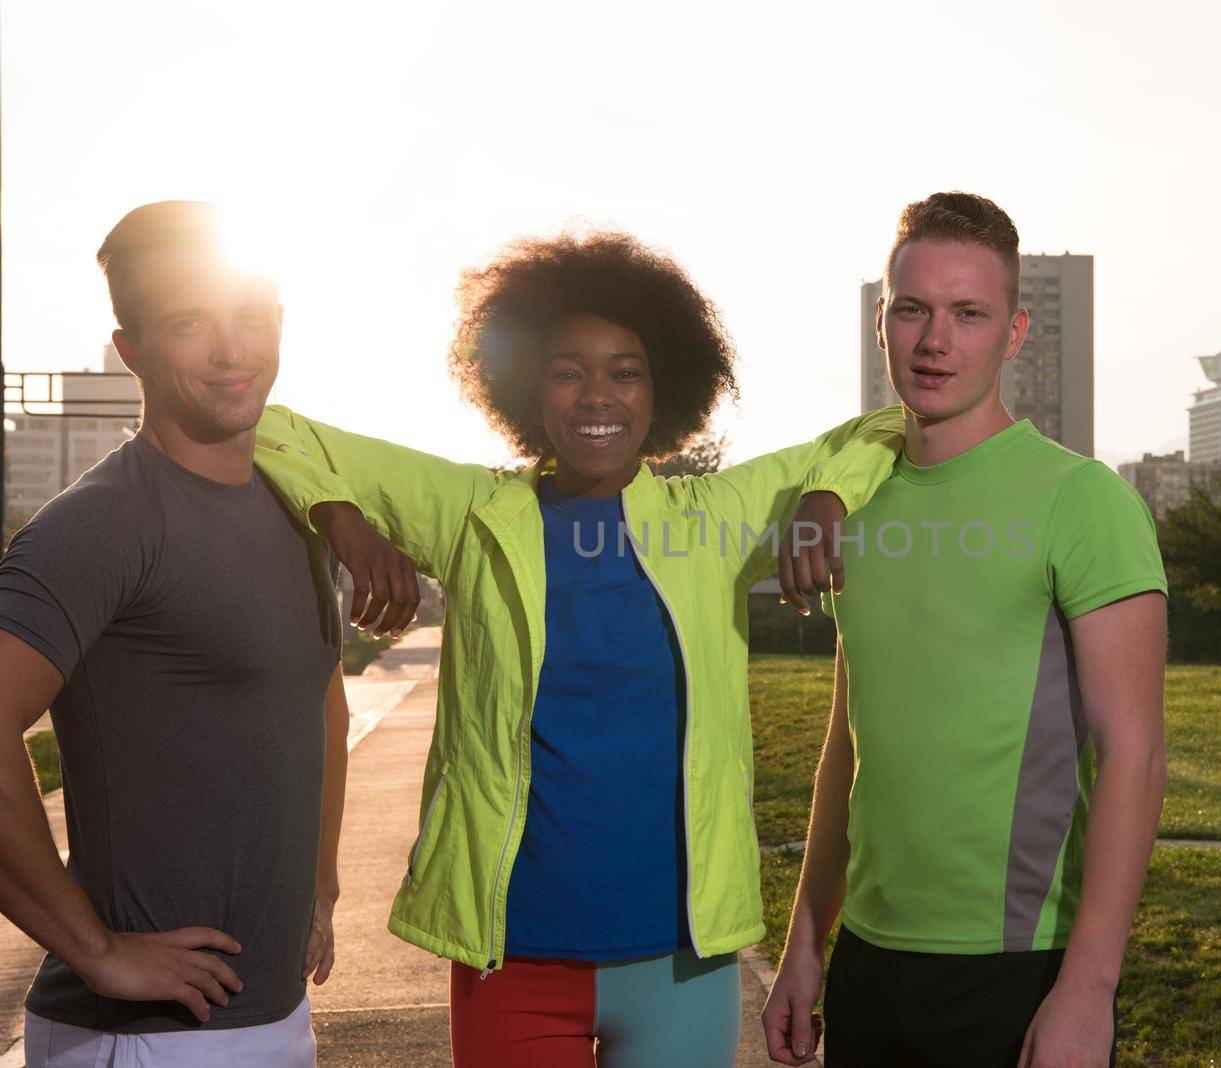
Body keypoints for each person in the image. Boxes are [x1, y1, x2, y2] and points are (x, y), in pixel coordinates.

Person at [250, 229, 902, 1066]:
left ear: (661, 388)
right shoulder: (472, 511)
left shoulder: (712, 520)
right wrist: (339, 517)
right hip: (511, 959)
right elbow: (273, 429)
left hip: (681, 962)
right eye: (568, 369)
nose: (598, 396)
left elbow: (883, 427)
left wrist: (822, 491)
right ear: (528, 386)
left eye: (625, 371)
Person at [762, 192, 1169, 1068]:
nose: (935, 341)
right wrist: (806, 939)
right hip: (869, 966)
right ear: (882, 322)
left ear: (1014, 332)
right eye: (913, 310)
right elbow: (848, 741)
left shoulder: (1082, 500)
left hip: (1019, 970)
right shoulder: (855, 506)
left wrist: (1090, 988)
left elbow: (1134, 751)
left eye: (968, 314)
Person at [0, 201, 351, 1067]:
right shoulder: (106, 522)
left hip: (274, 1020)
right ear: (133, 350)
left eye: (250, 318)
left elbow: (320, 705)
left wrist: (320, 882)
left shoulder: (296, 507)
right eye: (189, 323)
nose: (231, 352)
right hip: (140, 1043)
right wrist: (99, 950)